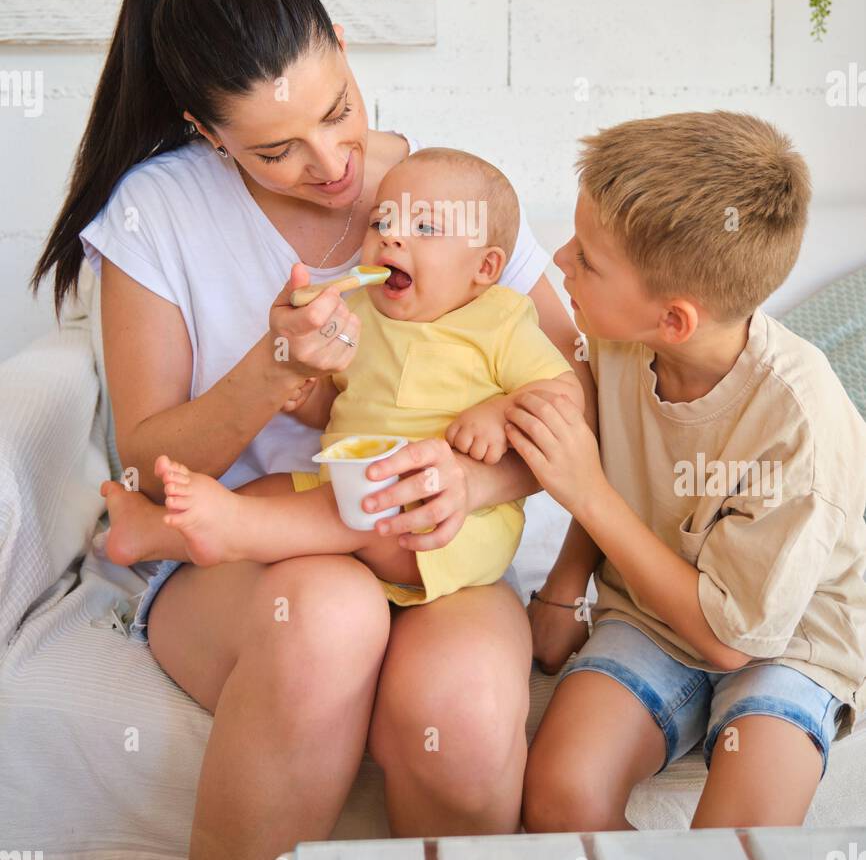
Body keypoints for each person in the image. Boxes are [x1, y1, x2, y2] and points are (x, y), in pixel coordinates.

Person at [32, 0, 594, 860]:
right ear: (210, 135)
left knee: (456, 716)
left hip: (434, 549)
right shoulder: (156, 212)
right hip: (242, 560)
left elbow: (570, 387)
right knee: (331, 617)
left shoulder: (445, 193)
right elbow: (144, 464)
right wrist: (270, 370)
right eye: (276, 150)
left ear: (341, 39)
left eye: (340, 111)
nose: (333, 163)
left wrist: (467, 484)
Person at [509, 111, 866, 831]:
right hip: (649, 611)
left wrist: (585, 491)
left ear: (674, 319)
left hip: (790, 633)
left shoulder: (800, 422)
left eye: (588, 258)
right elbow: (617, 466)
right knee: (560, 795)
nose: (560, 261)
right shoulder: (615, 342)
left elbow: (732, 639)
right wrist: (563, 589)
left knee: (737, 847)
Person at [105, 147, 578, 602]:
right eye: (381, 222)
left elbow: (565, 396)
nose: (392, 237)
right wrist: (305, 394)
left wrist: (500, 413)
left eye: (425, 227)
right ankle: (153, 532)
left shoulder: (500, 319)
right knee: (270, 492)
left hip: (445, 521)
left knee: (346, 517)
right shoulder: (361, 314)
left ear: (486, 266)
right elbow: (340, 403)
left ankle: (233, 533)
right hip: (350, 490)